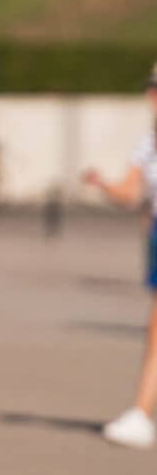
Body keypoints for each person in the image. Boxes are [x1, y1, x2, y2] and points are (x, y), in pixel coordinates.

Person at [83, 61, 157, 448]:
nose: (151, 97)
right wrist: (104, 185)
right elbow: (131, 193)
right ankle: (141, 413)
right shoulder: (149, 141)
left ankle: (142, 413)